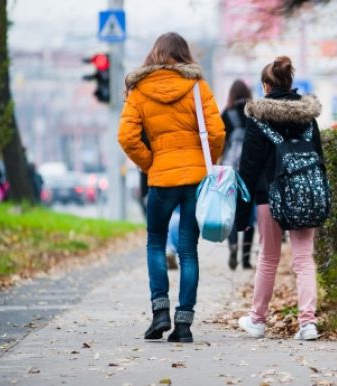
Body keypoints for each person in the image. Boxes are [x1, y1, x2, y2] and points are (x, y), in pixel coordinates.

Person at [118, 32, 225, 343]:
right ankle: (184, 324)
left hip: (162, 179)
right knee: (189, 251)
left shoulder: (138, 90)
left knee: (155, 243)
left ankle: (159, 312)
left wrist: (151, 162)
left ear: (155, 54)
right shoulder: (197, 87)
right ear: (184, 54)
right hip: (195, 181)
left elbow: (126, 137)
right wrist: (206, 163)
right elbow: (217, 132)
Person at [235, 56, 323, 340]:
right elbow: (318, 159)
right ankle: (308, 323)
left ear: (266, 86)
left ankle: (258, 321)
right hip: (303, 195)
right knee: (304, 259)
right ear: (290, 83)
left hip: (267, 197)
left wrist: (240, 214)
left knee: (268, 258)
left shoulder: (258, 118)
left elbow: (247, 169)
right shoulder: (307, 116)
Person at [221, 79, 255, 270]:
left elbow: (219, 139)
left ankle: (233, 246)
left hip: (230, 167)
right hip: (249, 168)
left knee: (231, 211)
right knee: (248, 211)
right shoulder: (254, 113)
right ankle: (247, 257)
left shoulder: (227, 113)